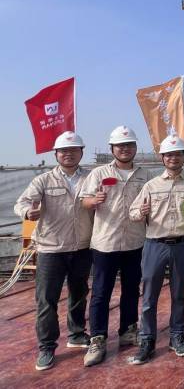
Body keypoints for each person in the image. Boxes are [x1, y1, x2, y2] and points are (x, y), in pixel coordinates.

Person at [14, 131, 93, 371]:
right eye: (64, 151)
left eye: (74, 150)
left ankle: (76, 334)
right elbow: (22, 203)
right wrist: (27, 212)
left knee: (79, 293)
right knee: (47, 300)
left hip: (82, 246)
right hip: (51, 248)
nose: (69, 154)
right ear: (56, 154)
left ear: (81, 152)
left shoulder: (90, 178)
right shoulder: (43, 180)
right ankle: (47, 347)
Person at [80, 126, 153, 367]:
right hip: (105, 243)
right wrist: (94, 200)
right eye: (120, 146)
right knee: (101, 292)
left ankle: (128, 331)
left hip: (135, 242)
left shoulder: (145, 175)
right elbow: (84, 201)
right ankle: (98, 338)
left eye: (129, 145)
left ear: (135, 148)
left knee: (131, 289)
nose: (125, 149)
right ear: (112, 149)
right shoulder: (99, 173)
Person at [128, 135, 184, 364]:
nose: (173, 158)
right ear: (162, 158)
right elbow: (133, 212)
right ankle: (147, 340)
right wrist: (140, 213)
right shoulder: (151, 186)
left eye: (177, 154)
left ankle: (177, 336)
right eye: (169, 155)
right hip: (155, 245)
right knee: (149, 295)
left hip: (182, 245)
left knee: (179, 294)